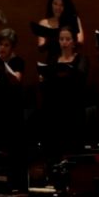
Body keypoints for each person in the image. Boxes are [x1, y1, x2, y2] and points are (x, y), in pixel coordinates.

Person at [38, 24, 89, 156]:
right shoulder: (53, 59)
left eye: (67, 39)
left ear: (74, 42)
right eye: (61, 39)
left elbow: (80, 80)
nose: (64, 42)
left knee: (72, 149)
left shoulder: (81, 59)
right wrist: (43, 79)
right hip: (55, 108)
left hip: (73, 108)